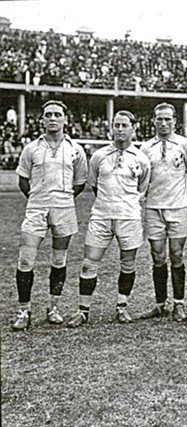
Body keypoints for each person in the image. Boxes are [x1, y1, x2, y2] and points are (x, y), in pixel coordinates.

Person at [67, 110, 151, 327]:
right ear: (111, 128)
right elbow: (94, 185)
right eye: (116, 125)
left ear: (134, 128)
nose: (120, 129)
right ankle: (82, 310)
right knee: (88, 264)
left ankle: (122, 307)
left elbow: (142, 188)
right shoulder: (98, 156)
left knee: (128, 264)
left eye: (124, 125)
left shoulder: (141, 158)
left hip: (129, 217)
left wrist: (125, 204)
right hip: (101, 216)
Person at [12, 100, 88, 330]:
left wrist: (62, 199)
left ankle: (53, 307)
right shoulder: (31, 148)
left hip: (64, 207)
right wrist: (39, 198)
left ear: (65, 119)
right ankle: (24, 310)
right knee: (25, 259)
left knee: (59, 259)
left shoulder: (75, 149)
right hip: (36, 207)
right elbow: (23, 181)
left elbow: (80, 182)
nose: (52, 118)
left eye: (57, 114)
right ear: (42, 120)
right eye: (48, 115)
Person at [139, 103, 187, 322]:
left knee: (177, 255)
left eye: (168, 119)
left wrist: (185, 202)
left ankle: (179, 304)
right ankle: (160, 303)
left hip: (178, 208)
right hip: (154, 208)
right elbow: (142, 179)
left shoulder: (186, 145)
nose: (163, 123)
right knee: (157, 256)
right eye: (159, 119)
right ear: (153, 120)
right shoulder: (145, 148)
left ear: (174, 121)